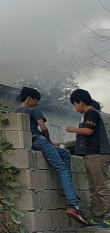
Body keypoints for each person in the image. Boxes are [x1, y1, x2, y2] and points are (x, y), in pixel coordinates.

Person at [15, 87, 88, 225]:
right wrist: (49, 141)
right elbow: (43, 128)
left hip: (30, 143)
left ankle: (64, 190)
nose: (37, 104)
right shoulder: (33, 110)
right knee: (61, 168)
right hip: (40, 141)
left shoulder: (14, 112)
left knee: (65, 153)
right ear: (29, 99)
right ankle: (73, 206)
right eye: (36, 101)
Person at [66, 89, 110, 227]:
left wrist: (73, 129)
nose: (75, 107)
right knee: (95, 189)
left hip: (96, 154)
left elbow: (88, 131)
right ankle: (98, 219)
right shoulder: (87, 115)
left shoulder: (91, 113)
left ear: (81, 102)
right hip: (90, 155)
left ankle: (108, 218)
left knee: (101, 188)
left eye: (74, 104)